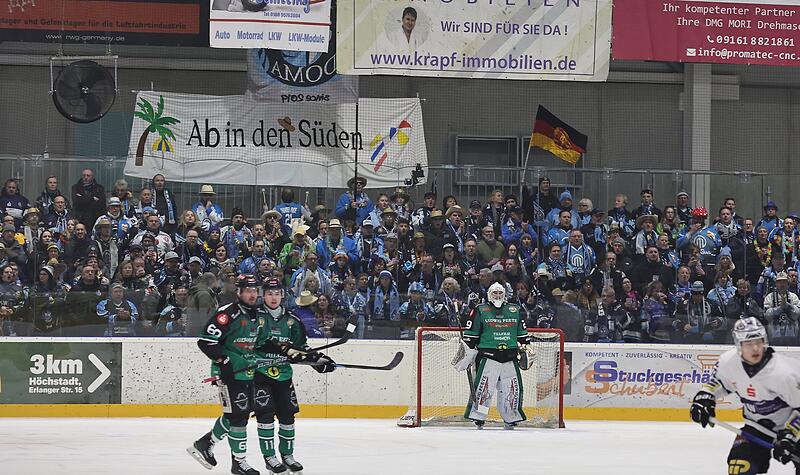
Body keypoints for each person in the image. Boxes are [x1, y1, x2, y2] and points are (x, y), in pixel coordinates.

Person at [690, 317, 800, 475]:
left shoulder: (786, 373)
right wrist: (705, 396)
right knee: (739, 466)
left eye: (759, 341)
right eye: (749, 344)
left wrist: (790, 436)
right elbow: (719, 382)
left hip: (793, 431)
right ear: (739, 345)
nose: (755, 348)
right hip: (755, 427)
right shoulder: (729, 363)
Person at [453, 282, 530, 430]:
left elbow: (523, 336)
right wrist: (466, 355)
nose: (498, 296)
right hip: (488, 357)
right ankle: (479, 417)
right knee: (483, 390)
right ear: (489, 295)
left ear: (505, 295)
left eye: (500, 293)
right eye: (495, 293)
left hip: (510, 357)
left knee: (512, 390)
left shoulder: (514, 310)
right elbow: (471, 336)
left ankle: (511, 417)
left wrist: (527, 347)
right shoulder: (481, 310)